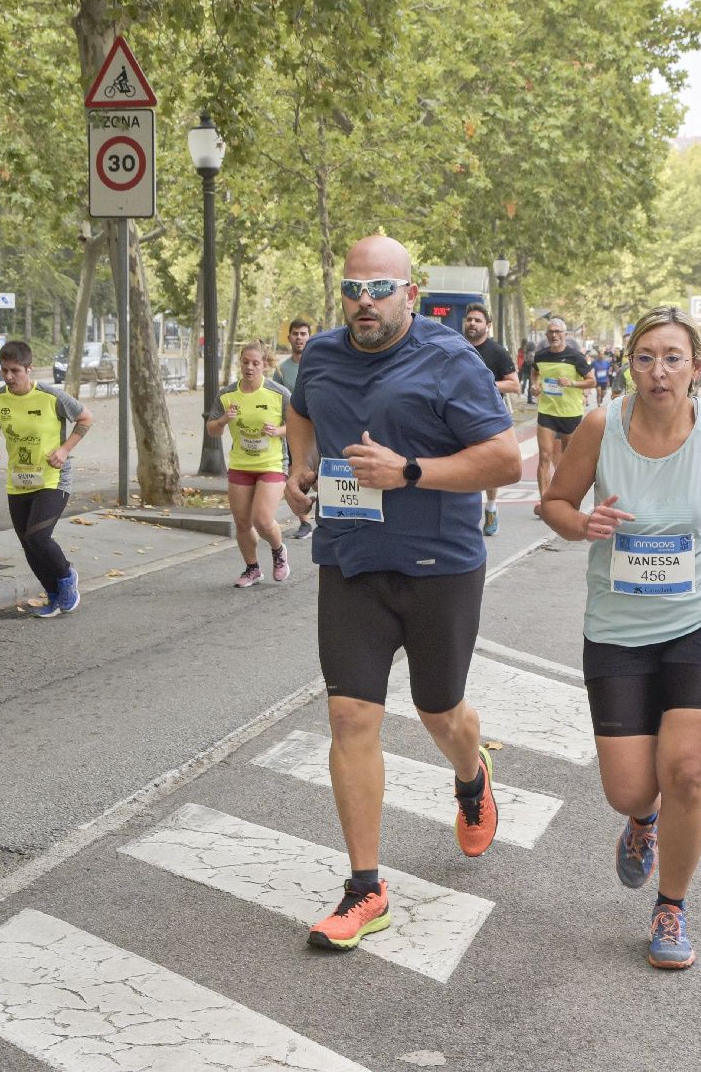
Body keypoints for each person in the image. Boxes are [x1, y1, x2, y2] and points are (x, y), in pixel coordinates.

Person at [286, 235, 520, 952]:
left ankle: (470, 771)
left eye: (379, 289)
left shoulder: (450, 359)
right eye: (353, 289)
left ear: (410, 295)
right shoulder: (321, 355)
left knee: (439, 709)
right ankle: (366, 888)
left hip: (439, 564)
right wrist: (300, 468)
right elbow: (302, 408)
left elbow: (505, 459)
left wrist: (409, 471)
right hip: (350, 561)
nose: (364, 303)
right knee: (351, 714)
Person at [540, 304, 701, 971]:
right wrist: (580, 523)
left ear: (697, 368)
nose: (659, 371)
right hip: (618, 627)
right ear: (629, 367)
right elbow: (555, 503)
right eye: (645, 358)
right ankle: (641, 821)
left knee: (688, 771)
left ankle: (671, 905)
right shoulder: (598, 426)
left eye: (674, 357)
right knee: (628, 789)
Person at [0, 340, 92, 616]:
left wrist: (65, 450)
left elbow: (85, 418)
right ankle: (54, 596)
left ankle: (67, 576)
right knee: (28, 544)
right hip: (19, 481)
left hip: (53, 479)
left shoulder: (52, 397)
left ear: (29, 369)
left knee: (38, 537)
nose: (8, 377)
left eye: (15, 371)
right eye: (4, 370)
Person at [207, 340, 292, 586]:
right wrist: (223, 420)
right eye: (245, 362)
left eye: (256, 363)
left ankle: (278, 551)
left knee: (262, 520)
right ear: (239, 363)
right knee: (242, 522)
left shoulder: (279, 394)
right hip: (241, 464)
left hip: (272, 464)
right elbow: (212, 430)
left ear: (265, 365)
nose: (250, 367)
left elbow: (297, 426)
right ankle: (252, 568)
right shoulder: (227, 395)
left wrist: (277, 431)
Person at [461, 303, 521, 537]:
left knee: (488, 464)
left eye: (477, 320)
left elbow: (514, 384)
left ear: (487, 325)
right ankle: (465, 513)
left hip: (488, 416)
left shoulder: (496, 351)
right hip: (459, 414)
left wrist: (486, 385)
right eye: (469, 320)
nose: (472, 324)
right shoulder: (457, 346)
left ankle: (492, 508)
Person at [531, 317, 592, 513]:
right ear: (547, 335)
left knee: (567, 460)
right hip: (547, 411)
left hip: (570, 413)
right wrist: (534, 385)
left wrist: (572, 383)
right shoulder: (540, 356)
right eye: (551, 332)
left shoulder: (575, 357)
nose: (554, 335)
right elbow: (535, 372)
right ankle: (544, 503)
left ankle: (568, 500)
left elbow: (591, 382)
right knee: (545, 456)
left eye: (558, 332)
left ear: (565, 335)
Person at [276, 319, 316, 539]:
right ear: (289, 337)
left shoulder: (320, 363)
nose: (299, 337)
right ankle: (305, 521)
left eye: (303, 333)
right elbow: (276, 401)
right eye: (295, 334)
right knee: (295, 474)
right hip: (293, 432)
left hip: (319, 432)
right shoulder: (281, 370)